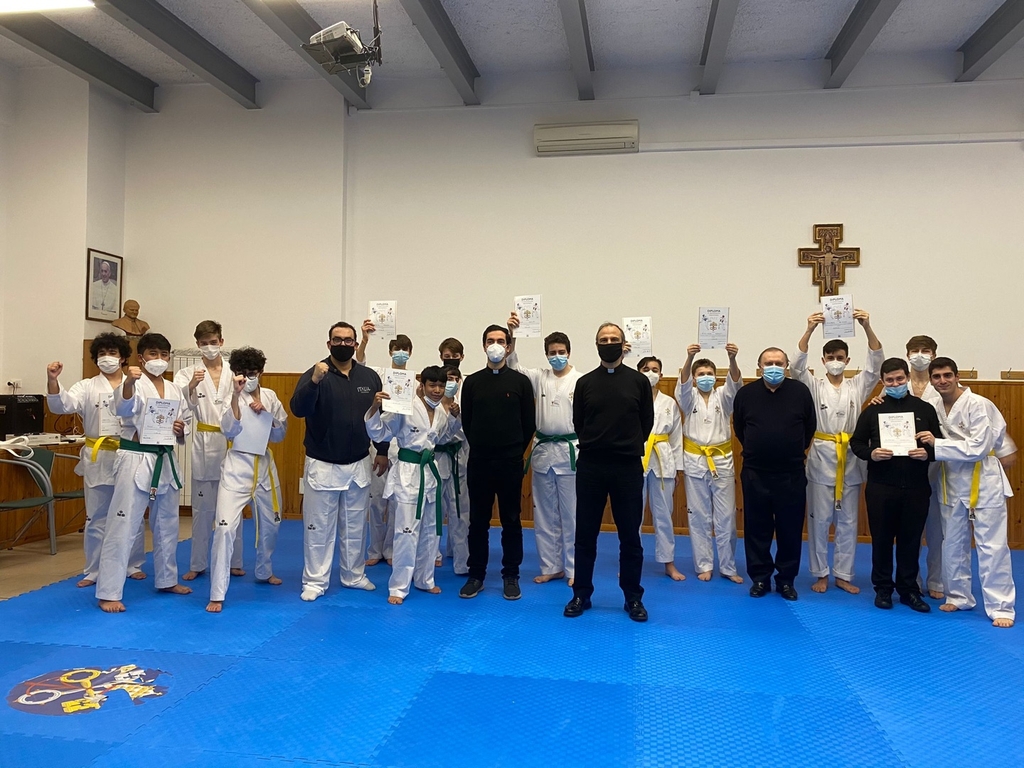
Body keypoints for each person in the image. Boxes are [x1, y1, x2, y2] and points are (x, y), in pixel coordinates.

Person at [290, 321, 388, 601]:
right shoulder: (316, 373)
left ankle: (353, 575)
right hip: (323, 461)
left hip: (358, 461)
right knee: (318, 527)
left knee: (355, 525)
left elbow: (379, 416)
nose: (343, 344)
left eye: (348, 340)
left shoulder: (369, 377)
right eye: (337, 340)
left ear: (355, 345)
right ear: (329, 343)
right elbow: (298, 409)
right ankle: (315, 581)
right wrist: (314, 382)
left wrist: (382, 449)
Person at [94, 332, 191, 612]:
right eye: (153, 354)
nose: (159, 359)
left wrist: (180, 429)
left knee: (168, 523)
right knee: (123, 523)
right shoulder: (132, 383)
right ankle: (109, 591)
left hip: (165, 457)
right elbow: (122, 407)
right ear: (141, 357)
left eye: (164, 355)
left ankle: (167, 579)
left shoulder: (174, 389)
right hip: (135, 456)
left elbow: (182, 422)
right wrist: (128, 382)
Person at [564, 323, 654, 622]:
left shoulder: (639, 382)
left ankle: (633, 597)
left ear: (623, 343)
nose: (609, 342)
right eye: (604, 339)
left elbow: (646, 422)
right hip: (592, 465)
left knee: (630, 536)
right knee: (585, 534)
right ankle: (581, 593)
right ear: (596, 345)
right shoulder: (585, 383)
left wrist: (626, 445)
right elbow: (579, 422)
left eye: (614, 339)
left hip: (627, 465)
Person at [791, 309, 882, 595]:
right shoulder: (814, 386)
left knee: (848, 521)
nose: (835, 362)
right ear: (823, 361)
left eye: (840, 357)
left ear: (847, 360)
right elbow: (796, 368)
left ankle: (843, 574)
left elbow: (876, 365)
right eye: (830, 357)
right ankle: (820, 573)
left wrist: (866, 326)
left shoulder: (857, 386)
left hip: (850, 456)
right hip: (821, 455)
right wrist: (809, 329)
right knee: (819, 520)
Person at [922, 357, 1016, 627]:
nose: (942, 381)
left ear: (957, 376)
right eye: (937, 376)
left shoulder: (979, 404)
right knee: (952, 543)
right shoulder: (934, 407)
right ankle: (959, 595)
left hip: (983, 480)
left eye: (947, 375)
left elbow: (978, 447)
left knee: (992, 546)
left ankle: (1001, 607)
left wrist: (937, 444)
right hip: (951, 481)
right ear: (931, 380)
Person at [46, 334, 146, 587]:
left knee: (131, 512)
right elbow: (62, 406)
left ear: (122, 358)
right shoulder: (86, 386)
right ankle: (94, 568)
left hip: (129, 452)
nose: (107, 358)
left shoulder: (137, 383)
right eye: (101, 354)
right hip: (98, 455)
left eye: (112, 353)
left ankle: (132, 563)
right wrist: (53, 380)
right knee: (96, 516)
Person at [850, 357, 941, 612]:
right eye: (889, 380)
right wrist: (871, 453)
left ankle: (909, 590)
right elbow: (856, 443)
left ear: (908, 378)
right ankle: (883, 589)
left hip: (916, 486)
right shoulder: (872, 410)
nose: (895, 383)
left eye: (899, 379)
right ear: (882, 382)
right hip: (881, 486)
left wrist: (928, 453)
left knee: (910, 540)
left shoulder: (924, 409)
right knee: (881, 539)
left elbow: (939, 443)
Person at [365, 365, 456, 605]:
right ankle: (398, 586)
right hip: (408, 472)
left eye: (441, 385)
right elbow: (380, 433)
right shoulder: (404, 408)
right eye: (432, 385)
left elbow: (443, 438)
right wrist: (374, 408)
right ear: (421, 386)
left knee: (431, 530)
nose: (437, 390)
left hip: (430, 472)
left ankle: (425, 579)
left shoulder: (442, 412)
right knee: (406, 532)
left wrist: (455, 419)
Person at [207, 347, 287, 613]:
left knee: (272, 523)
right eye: (241, 372)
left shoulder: (271, 396)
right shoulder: (230, 396)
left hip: (264, 465)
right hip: (237, 466)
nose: (247, 377)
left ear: (260, 372)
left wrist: (269, 416)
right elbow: (228, 430)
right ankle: (217, 593)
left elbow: (280, 435)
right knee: (225, 528)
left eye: (252, 373)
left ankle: (264, 570)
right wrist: (234, 397)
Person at [459, 324, 535, 600]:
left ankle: (511, 575)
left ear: (508, 347)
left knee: (511, 520)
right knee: (478, 521)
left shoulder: (520, 382)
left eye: (500, 341)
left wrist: (514, 451)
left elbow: (529, 423)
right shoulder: (472, 382)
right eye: (490, 340)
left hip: (510, 461)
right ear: (483, 346)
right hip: (479, 460)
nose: (495, 345)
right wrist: (482, 445)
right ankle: (476, 574)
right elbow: (467, 421)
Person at [732, 347, 815, 600]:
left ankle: (786, 580)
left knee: (790, 529)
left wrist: (790, 449)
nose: (774, 367)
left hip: (791, 472)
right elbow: (740, 429)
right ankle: (760, 578)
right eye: (768, 363)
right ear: (759, 367)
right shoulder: (746, 394)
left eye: (779, 363)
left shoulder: (800, 392)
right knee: (757, 528)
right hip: (755, 472)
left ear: (787, 366)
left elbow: (809, 427)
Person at [507, 312, 582, 585]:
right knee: (544, 512)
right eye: (552, 353)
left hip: (570, 450)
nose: (557, 356)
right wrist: (512, 334)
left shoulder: (581, 380)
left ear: (569, 352)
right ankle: (551, 565)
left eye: (561, 352)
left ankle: (574, 569)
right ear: (546, 355)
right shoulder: (539, 377)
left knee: (572, 514)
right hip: (542, 450)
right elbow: (514, 366)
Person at [174, 320, 242, 582]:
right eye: (204, 343)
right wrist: (190, 386)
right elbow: (178, 405)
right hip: (204, 442)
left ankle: (235, 561)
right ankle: (198, 562)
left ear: (221, 342)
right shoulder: (187, 374)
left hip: (232, 442)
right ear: (197, 345)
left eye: (214, 342)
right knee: (202, 511)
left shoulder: (234, 371)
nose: (210, 347)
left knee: (233, 507)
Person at [675, 342, 743, 583]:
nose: (705, 377)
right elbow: (683, 384)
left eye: (709, 374)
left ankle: (728, 566)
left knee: (727, 517)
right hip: (695, 460)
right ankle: (704, 565)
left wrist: (732, 359)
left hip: (721, 460)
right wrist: (689, 358)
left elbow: (735, 384)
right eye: (701, 374)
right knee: (698, 516)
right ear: (694, 378)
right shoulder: (689, 398)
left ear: (716, 377)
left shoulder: (723, 397)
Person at [356, 320, 413, 567]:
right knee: (377, 500)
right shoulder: (379, 375)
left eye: (404, 350)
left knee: (396, 501)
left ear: (410, 353)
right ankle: (374, 549)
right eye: (396, 349)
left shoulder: (415, 383)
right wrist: (364, 340)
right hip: (379, 444)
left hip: (402, 449)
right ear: (390, 351)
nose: (400, 353)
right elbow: (359, 363)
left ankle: (390, 549)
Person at [636, 356, 685, 581]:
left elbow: (676, 438)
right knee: (632, 515)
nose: (651, 373)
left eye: (655, 369)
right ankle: (630, 562)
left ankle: (669, 563)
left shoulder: (669, 402)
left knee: (664, 513)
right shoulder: (630, 398)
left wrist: (678, 468)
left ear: (661, 375)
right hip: (635, 457)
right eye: (646, 369)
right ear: (637, 373)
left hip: (663, 460)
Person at [905, 334, 946, 600]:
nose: (920, 355)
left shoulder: (943, 385)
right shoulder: (898, 384)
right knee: (910, 529)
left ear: (933, 354)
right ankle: (911, 579)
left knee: (936, 529)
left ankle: (937, 580)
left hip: (937, 464)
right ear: (907, 354)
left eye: (925, 350)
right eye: (915, 350)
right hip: (906, 464)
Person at [437, 365, 470, 575]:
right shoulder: (431, 406)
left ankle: (462, 562)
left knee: (461, 513)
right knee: (435, 513)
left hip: (458, 460)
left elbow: (468, 435)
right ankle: (431, 556)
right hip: (437, 460)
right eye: (448, 378)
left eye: (456, 379)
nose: (452, 382)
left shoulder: (464, 404)